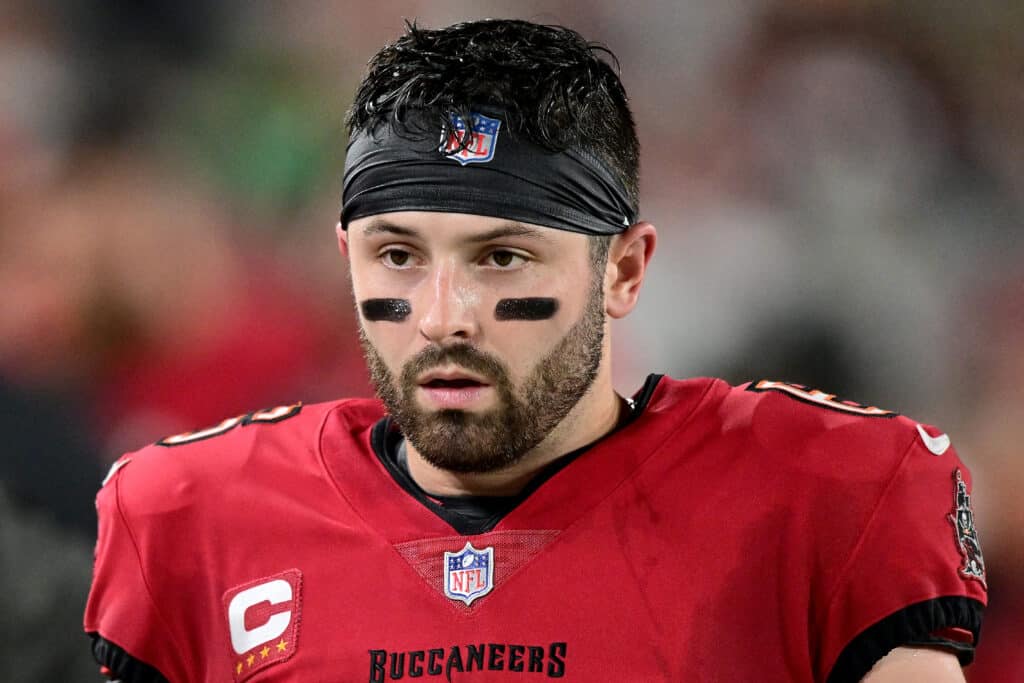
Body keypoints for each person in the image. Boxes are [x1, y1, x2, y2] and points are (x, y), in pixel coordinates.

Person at [83, 18, 986, 682]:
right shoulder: (188, 518)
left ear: (623, 272)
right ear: (345, 258)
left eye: (501, 256)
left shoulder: (829, 496)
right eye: (398, 253)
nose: (443, 316)